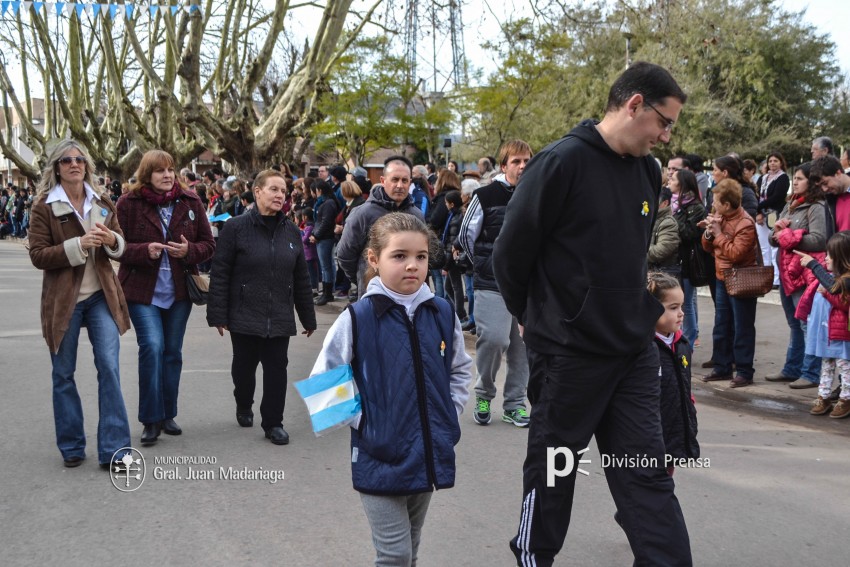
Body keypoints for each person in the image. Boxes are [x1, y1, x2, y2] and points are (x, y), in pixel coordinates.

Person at [493, 61, 691, 566]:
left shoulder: (648, 171)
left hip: (632, 352)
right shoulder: (560, 162)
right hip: (569, 355)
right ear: (634, 105)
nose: (666, 136)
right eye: (664, 122)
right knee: (555, 472)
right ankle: (534, 557)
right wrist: (535, 317)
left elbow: (630, 255)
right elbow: (510, 255)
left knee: (646, 473)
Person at [309, 212, 472, 565]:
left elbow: (460, 369)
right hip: (379, 455)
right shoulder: (358, 317)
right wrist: (367, 424)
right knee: (394, 554)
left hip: (428, 452)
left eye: (421, 256)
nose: (412, 265)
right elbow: (324, 385)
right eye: (399, 256)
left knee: (410, 547)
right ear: (374, 259)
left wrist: (448, 414)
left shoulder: (442, 312)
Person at [28, 139, 132, 469]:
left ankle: (115, 449)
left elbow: (120, 245)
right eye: (66, 160)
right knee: (63, 374)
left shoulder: (101, 201)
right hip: (64, 301)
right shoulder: (44, 206)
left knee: (109, 367)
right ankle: (72, 446)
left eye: (79, 159)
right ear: (56, 168)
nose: (74, 164)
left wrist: (111, 240)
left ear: (86, 166)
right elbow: (38, 255)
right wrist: (78, 245)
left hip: (102, 296)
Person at [207, 170, 317, 445]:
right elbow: (220, 272)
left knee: (277, 369)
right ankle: (243, 403)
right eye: (274, 189)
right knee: (243, 370)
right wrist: (218, 314)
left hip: (279, 314)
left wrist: (308, 318)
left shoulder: (291, 231)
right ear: (257, 192)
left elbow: (301, 278)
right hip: (244, 314)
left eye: (283, 191)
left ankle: (273, 423)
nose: (280, 195)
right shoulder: (236, 228)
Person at [116, 150, 216, 445]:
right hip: (141, 292)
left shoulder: (190, 202)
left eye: (171, 169)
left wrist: (189, 251)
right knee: (152, 347)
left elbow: (209, 244)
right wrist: (142, 251)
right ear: (147, 174)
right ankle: (150, 419)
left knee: (172, 353)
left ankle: (167, 413)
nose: (168, 175)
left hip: (179, 293)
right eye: (160, 170)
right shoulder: (128, 203)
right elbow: (115, 246)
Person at [458, 139, 532, 428]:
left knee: (522, 347)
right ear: (503, 166)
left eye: (527, 161)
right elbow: (466, 235)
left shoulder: (537, 193)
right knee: (494, 339)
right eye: (516, 161)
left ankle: (515, 404)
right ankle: (484, 394)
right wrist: (485, 263)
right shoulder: (485, 195)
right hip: (492, 282)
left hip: (527, 285)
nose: (523, 166)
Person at [766, 163, 826, 388]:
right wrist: (778, 233)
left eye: (800, 178)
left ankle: (811, 373)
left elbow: (820, 239)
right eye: (795, 178)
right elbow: (774, 236)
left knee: (806, 324)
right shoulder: (791, 204)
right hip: (786, 272)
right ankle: (792, 368)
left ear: (812, 181)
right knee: (794, 323)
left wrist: (788, 236)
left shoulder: (816, 207)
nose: (796, 182)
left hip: (803, 274)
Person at [337, 155, 425, 298]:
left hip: (409, 296)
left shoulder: (417, 215)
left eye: (404, 180)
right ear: (383, 181)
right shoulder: (363, 214)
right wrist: (363, 278)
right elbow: (345, 254)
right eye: (395, 179)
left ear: (410, 182)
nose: (400, 185)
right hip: (374, 295)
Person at [699, 179, 759, 388]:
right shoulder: (721, 218)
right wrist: (708, 232)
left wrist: (717, 234)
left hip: (740, 279)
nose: (712, 204)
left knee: (742, 327)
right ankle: (722, 366)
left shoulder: (745, 223)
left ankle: (744, 371)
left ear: (726, 204)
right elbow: (707, 247)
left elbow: (735, 254)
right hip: (721, 277)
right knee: (721, 325)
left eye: (716, 201)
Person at [646, 272, 700, 472]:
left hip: (675, 428)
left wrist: (690, 407)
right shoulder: (644, 348)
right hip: (649, 433)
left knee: (666, 477)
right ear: (651, 309)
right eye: (673, 307)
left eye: (681, 306)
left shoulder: (682, 344)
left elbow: (685, 384)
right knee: (648, 482)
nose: (681, 313)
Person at [795, 233, 850, 418]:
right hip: (826, 333)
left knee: (845, 366)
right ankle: (823, 396)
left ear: (842, 258)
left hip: (841, 333)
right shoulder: (830, 277)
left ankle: (846, 398)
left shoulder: (845, 280)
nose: (826, 258)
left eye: (830, 255)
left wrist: (813, 265)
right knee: (826, 364)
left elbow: (836, 292)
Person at [671, 169, 707, 345]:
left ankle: (689, 341)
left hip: (688, 260)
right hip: (675, 260)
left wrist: (675, 217)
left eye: (673, 178)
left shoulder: (695, 207)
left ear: (682, 184)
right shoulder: (673, 203)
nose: (669, 180)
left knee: (686, 303)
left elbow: (689, 234)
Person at [310, 180, 341, 306]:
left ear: (320, 190)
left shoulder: (328, 203)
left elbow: (326, 222)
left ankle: (328, 294)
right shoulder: (323, 202)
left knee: (326, 267)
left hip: (325, 238)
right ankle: (326, 293)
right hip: (321, 237)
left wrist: (316, 235)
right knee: (325, 267)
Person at [647, 186, 680, 275]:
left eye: (655, 200)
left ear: (665, 203)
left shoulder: (669, 223)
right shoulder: (648, 218)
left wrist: (638, 251)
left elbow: (661, 251)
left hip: (662, 275)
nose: (650, 203)